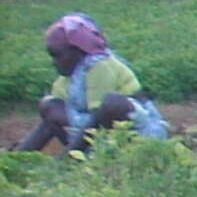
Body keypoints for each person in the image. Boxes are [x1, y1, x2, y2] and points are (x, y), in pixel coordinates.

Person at [17, 14, 169, 157]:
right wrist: (16, 157)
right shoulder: (66, 80)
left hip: (138, 132)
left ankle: (73, 158)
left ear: (77, 52)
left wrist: (67, 155)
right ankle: (84, 156)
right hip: (97, 135)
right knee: (49, 106)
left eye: (58, 55)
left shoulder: (100, 66)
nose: (54, 62)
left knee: (112, 103)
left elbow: (101, 120)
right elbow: (50, 124)